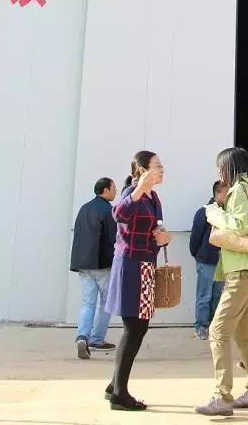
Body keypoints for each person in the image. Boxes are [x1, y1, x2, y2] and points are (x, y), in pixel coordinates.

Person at [196, 147, 248, 417]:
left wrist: (214, 214)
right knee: (243, 334)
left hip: (242, 269)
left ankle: (222, 397)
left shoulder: (239, 190)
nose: (219, 172)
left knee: (218, 331)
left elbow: (241, 226)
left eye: (221, 167)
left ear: (230, 167)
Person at [104, 151, 170, 411]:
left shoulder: (154, 198)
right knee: (133, 328)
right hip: (131, 265)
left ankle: (114, 386)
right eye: (157, 165)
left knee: (140, 327)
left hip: (146, 265)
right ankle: (120, 394)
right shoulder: (131, 193)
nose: (162, 169)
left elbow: (156, 229)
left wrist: (163, 237)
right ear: (141, 170)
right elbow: (119, 214)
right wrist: (138, 189)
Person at [70, 177, 117, 359]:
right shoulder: (108, 211)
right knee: (106, 302)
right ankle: (97, 339)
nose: (115, 192)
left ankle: (82, 337)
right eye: (113, 189)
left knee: (88, 303)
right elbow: (113, 239)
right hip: (102, 264)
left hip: (83, 264)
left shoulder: (84, 208)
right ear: (105, 190)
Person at [190, 181, 228, 340]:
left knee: (218, 295)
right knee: (204, 296)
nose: (229, 196)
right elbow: (195, 239)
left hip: (222, 262)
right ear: (217, 193)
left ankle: (214, 326)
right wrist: (199, 256)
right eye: (226, 192)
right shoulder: (204, 212)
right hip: (206, 261)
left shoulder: (227, 212)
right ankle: (201, 327)